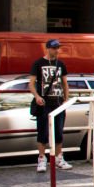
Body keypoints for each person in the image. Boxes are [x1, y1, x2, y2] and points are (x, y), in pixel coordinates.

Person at [29, 39, 72, 172]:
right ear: (47, 48)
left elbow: (65, 83)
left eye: (58, 48)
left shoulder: (61, 64)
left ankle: (59, 158)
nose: (57, 51)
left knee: (59, 131)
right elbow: (31, 83)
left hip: (58, 102)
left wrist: (66, 98)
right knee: (42, 132)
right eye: (54, 48)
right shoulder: (38, 63)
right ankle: (42, 159)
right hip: (44, 103)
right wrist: (37, 96)